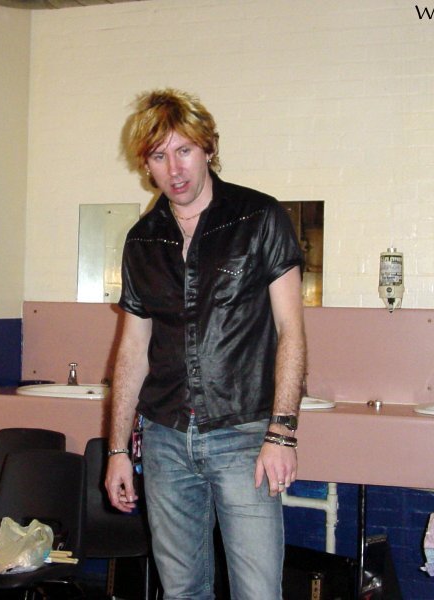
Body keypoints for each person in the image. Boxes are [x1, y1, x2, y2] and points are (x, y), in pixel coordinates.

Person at [105, 88, 307, 599]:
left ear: (208, 148)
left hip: (243, 433)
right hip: (165, 438)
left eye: (184, 150)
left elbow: (291, 331)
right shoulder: (142, 240)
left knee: (257, 592)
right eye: (159, 156)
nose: (174, 169)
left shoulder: (259, 218)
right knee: (181, 593)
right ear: (145, 165)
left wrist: (282, 432)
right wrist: (117, 449)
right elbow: (131, 352)